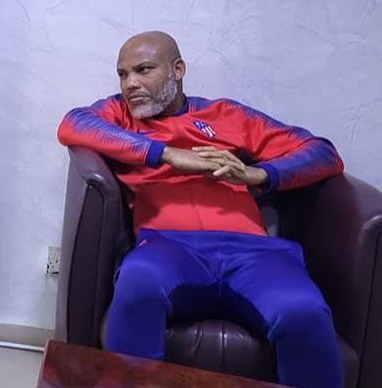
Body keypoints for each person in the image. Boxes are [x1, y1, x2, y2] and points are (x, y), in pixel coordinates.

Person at [56, 31, 344, 388]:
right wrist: (167, 154)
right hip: (167, 248)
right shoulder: (120, 114)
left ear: (177, 70)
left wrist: (258, 174)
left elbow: (323, 152)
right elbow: (72, 123)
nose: (130, 84)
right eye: (122, 74)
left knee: (304, 313)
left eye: (143, 70)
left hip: (253, 254)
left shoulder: (225, 114)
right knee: (137, 284)